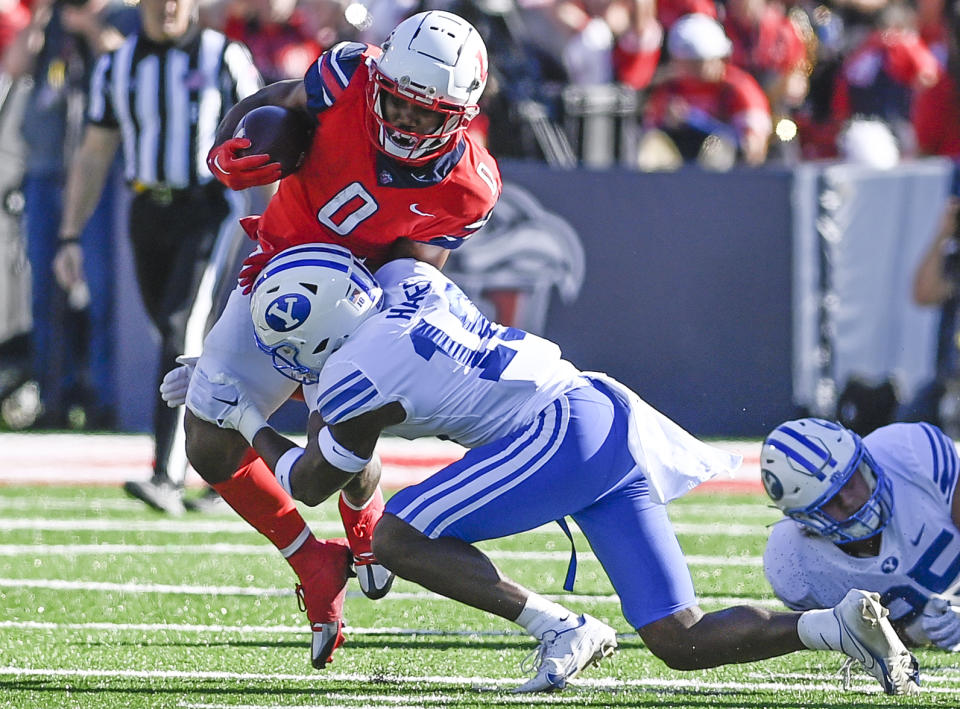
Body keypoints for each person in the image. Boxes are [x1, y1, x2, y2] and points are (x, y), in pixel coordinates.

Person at [177, 243, 920, 695]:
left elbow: (311, 484)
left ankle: (559, 623)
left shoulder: (354, 378)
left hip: (561, 431)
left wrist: (239, 413)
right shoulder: (404, 276)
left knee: (396, 538)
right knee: (678, 638)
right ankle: (835, 626)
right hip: (596, 409)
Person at [178, 9, 501, 668]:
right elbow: (274, 100)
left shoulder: (467, 186)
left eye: (425, 114)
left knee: (335, 461)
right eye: (398, 104)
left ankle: (364, 524)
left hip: (360, 300)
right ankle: (312, 560)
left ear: (460, 118)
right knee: (208, 438)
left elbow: (411, 273)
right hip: (278, 269)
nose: (406, 124)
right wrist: (228, 144)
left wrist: (338, 335)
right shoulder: (348, 74)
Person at [51, 0, 262, 513]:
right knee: (190, 340)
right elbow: (96, 151)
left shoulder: (224, 56)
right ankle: (227, 471)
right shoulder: (116, 64)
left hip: (207, 206)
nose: (169, 6)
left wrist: (281, 230)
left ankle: (167, 475)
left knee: (179, 330)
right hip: (147, 208)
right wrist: (70, 235)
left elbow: (267, 143)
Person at [1, 0, 135, 429]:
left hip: (97, 175)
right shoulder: (49, 19)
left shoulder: (121, 14)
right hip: (46, 172)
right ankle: (50, 397)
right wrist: (42, 14)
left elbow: (124, 60)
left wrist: (90, 26)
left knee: (100, 290)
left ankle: (102, 396)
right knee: (45, 293)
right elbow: (16, 64)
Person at [760, 417, 960, 652]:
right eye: (830, 501)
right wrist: (914, 633)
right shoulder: (793, 564)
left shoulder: (909, 453)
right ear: (804, 519)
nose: (850, 500)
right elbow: (856, 640)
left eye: (850, 481)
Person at [639, 13, 772, 169]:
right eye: (688, 63)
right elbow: (650, 134)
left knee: (718, 150)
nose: (692, 70)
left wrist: (695, 120)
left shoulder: (738, 89)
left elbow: (754, 149)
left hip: (726, 175)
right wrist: (668, 124)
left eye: (700, 62)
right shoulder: (669, 89)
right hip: (679, 173)